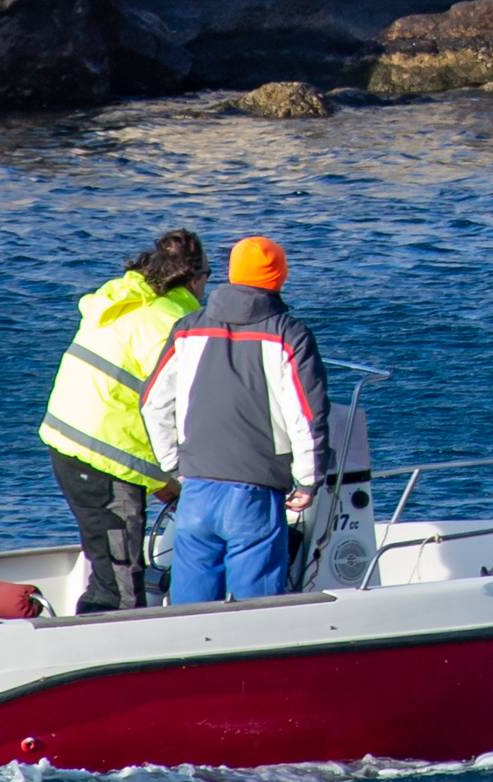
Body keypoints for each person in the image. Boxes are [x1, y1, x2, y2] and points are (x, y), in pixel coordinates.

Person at [142, 236, 330, 605]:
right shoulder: (288, 333)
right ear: (279, 278)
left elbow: (153, 403)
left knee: (189, 608)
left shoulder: (187, 327)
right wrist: (308, 480)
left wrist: (173, 464)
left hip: (196, 486)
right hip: (255, 490)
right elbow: (305, 416)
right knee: (258, 610)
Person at [40, 229, 208, 613]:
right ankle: (100, 656)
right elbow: (173, 408)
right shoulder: (172, 322)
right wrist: (167, 477)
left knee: (108, 565)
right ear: (194, 278)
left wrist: (159, 480)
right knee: (119, 586)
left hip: (69, 443)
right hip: (104, 455)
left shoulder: (124, 299)